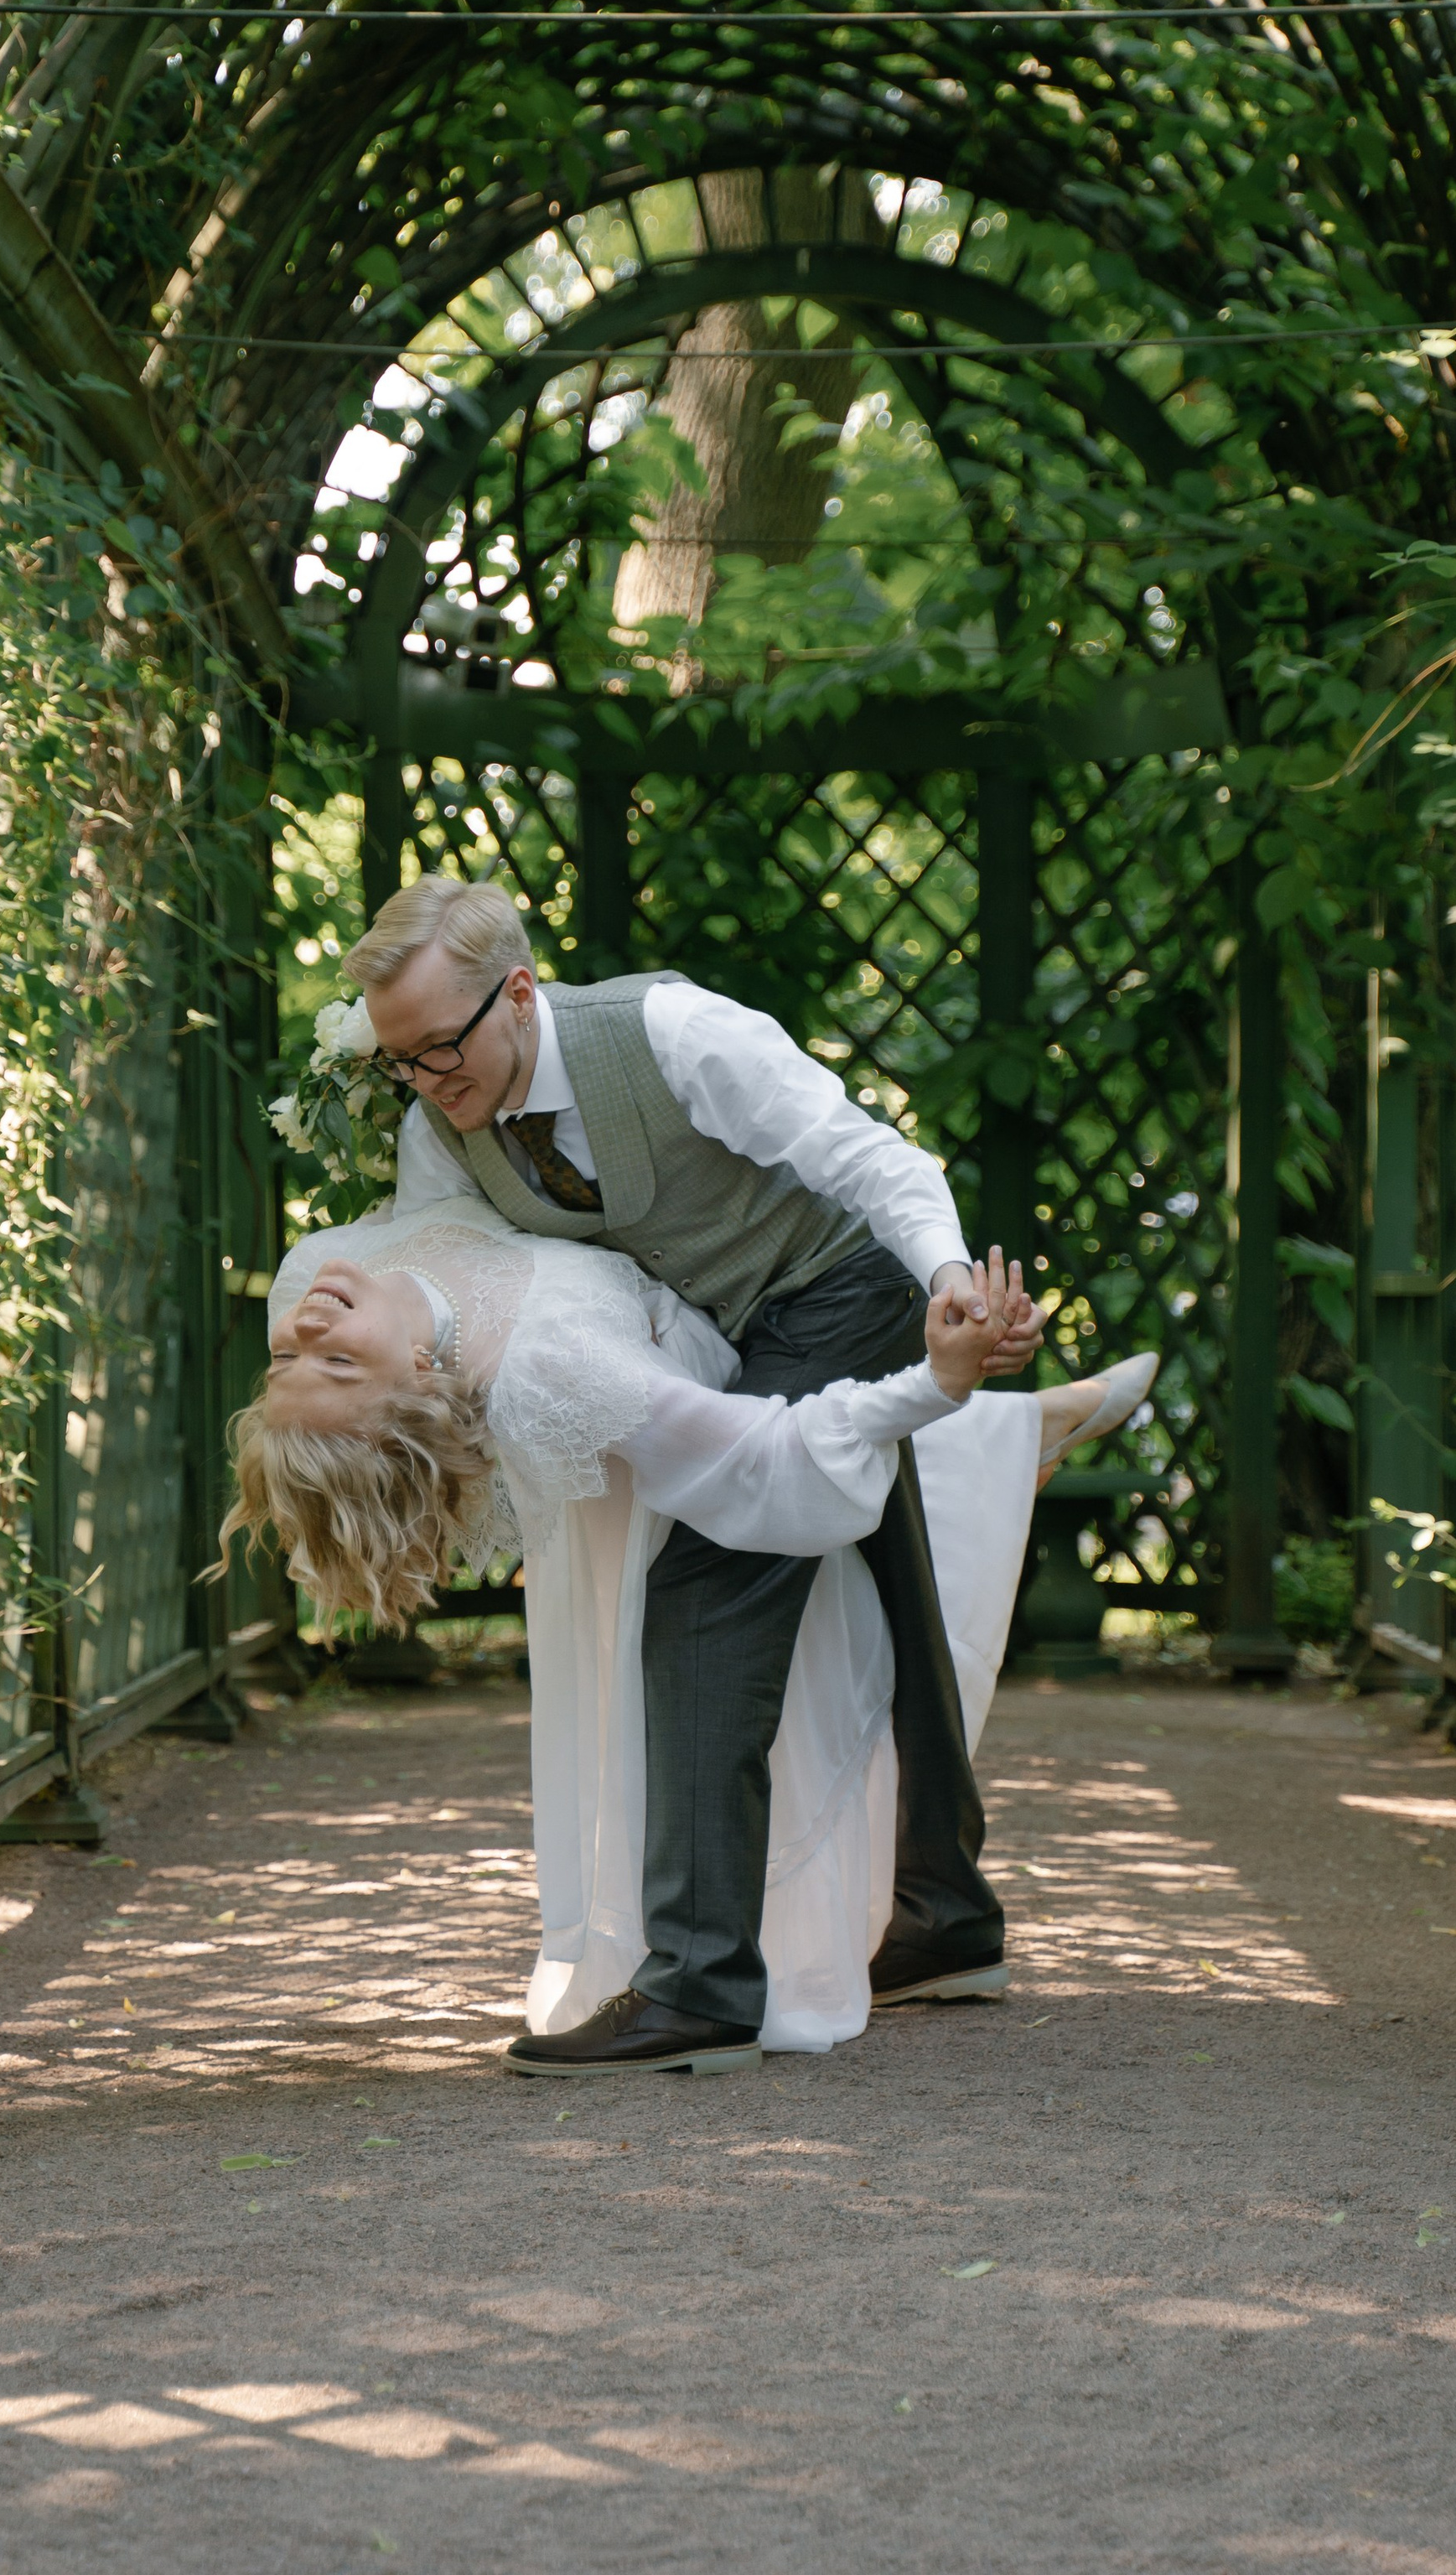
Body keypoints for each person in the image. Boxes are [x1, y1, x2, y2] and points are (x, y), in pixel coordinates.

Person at [343, 875, 1148, 2073]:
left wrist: (947, 1284)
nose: (428, 1083)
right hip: (726, 1341)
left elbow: (866, 1156)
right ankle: (941, 1912)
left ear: (520, 994)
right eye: (400, 1061)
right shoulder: (438, 1135)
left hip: (843, 1290)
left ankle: (701, 1982)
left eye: (443, 1050)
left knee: (707, 1593)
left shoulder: (671, 1032)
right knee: (886, 1574)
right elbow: (451, 1279)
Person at [222, 1193, 1149, 2065]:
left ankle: (1003, 1440)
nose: (304, 1334)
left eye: (293, 1365)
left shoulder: (316, 1280)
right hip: (667, 1444)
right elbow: (756, 1452)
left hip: (753, 1325)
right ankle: (748, 1966)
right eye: (331, 1363)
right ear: (423, 1379)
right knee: (732, 1629)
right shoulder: (557, 1368)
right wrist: (936, 1387)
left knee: (848, 1561)